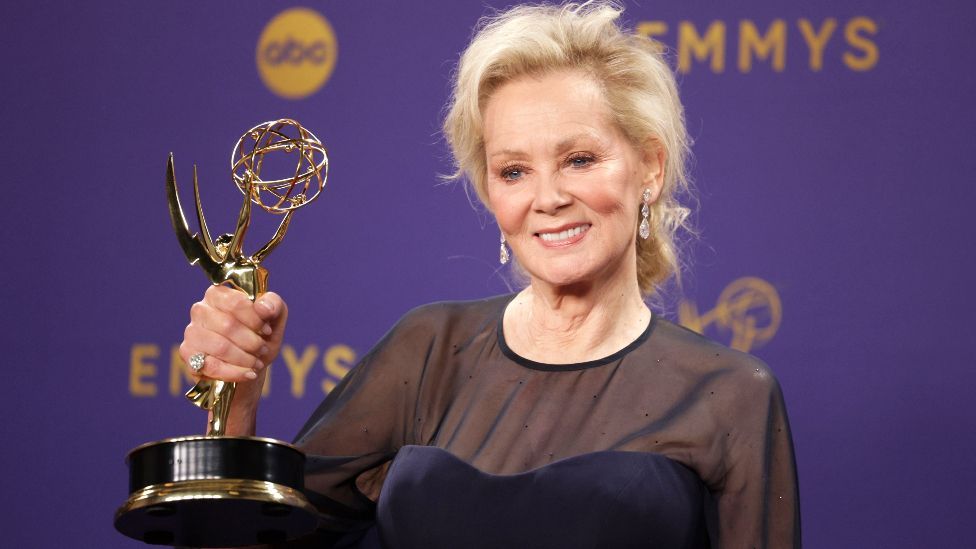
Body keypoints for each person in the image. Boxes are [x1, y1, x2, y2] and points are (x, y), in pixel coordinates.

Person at [179, 2, 800, 547]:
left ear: (650, 169)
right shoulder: (428, 352)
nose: (548, 197)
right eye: (513, 171)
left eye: (579, 159)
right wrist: (240, 395)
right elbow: (256, 542)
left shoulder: (730, 394)